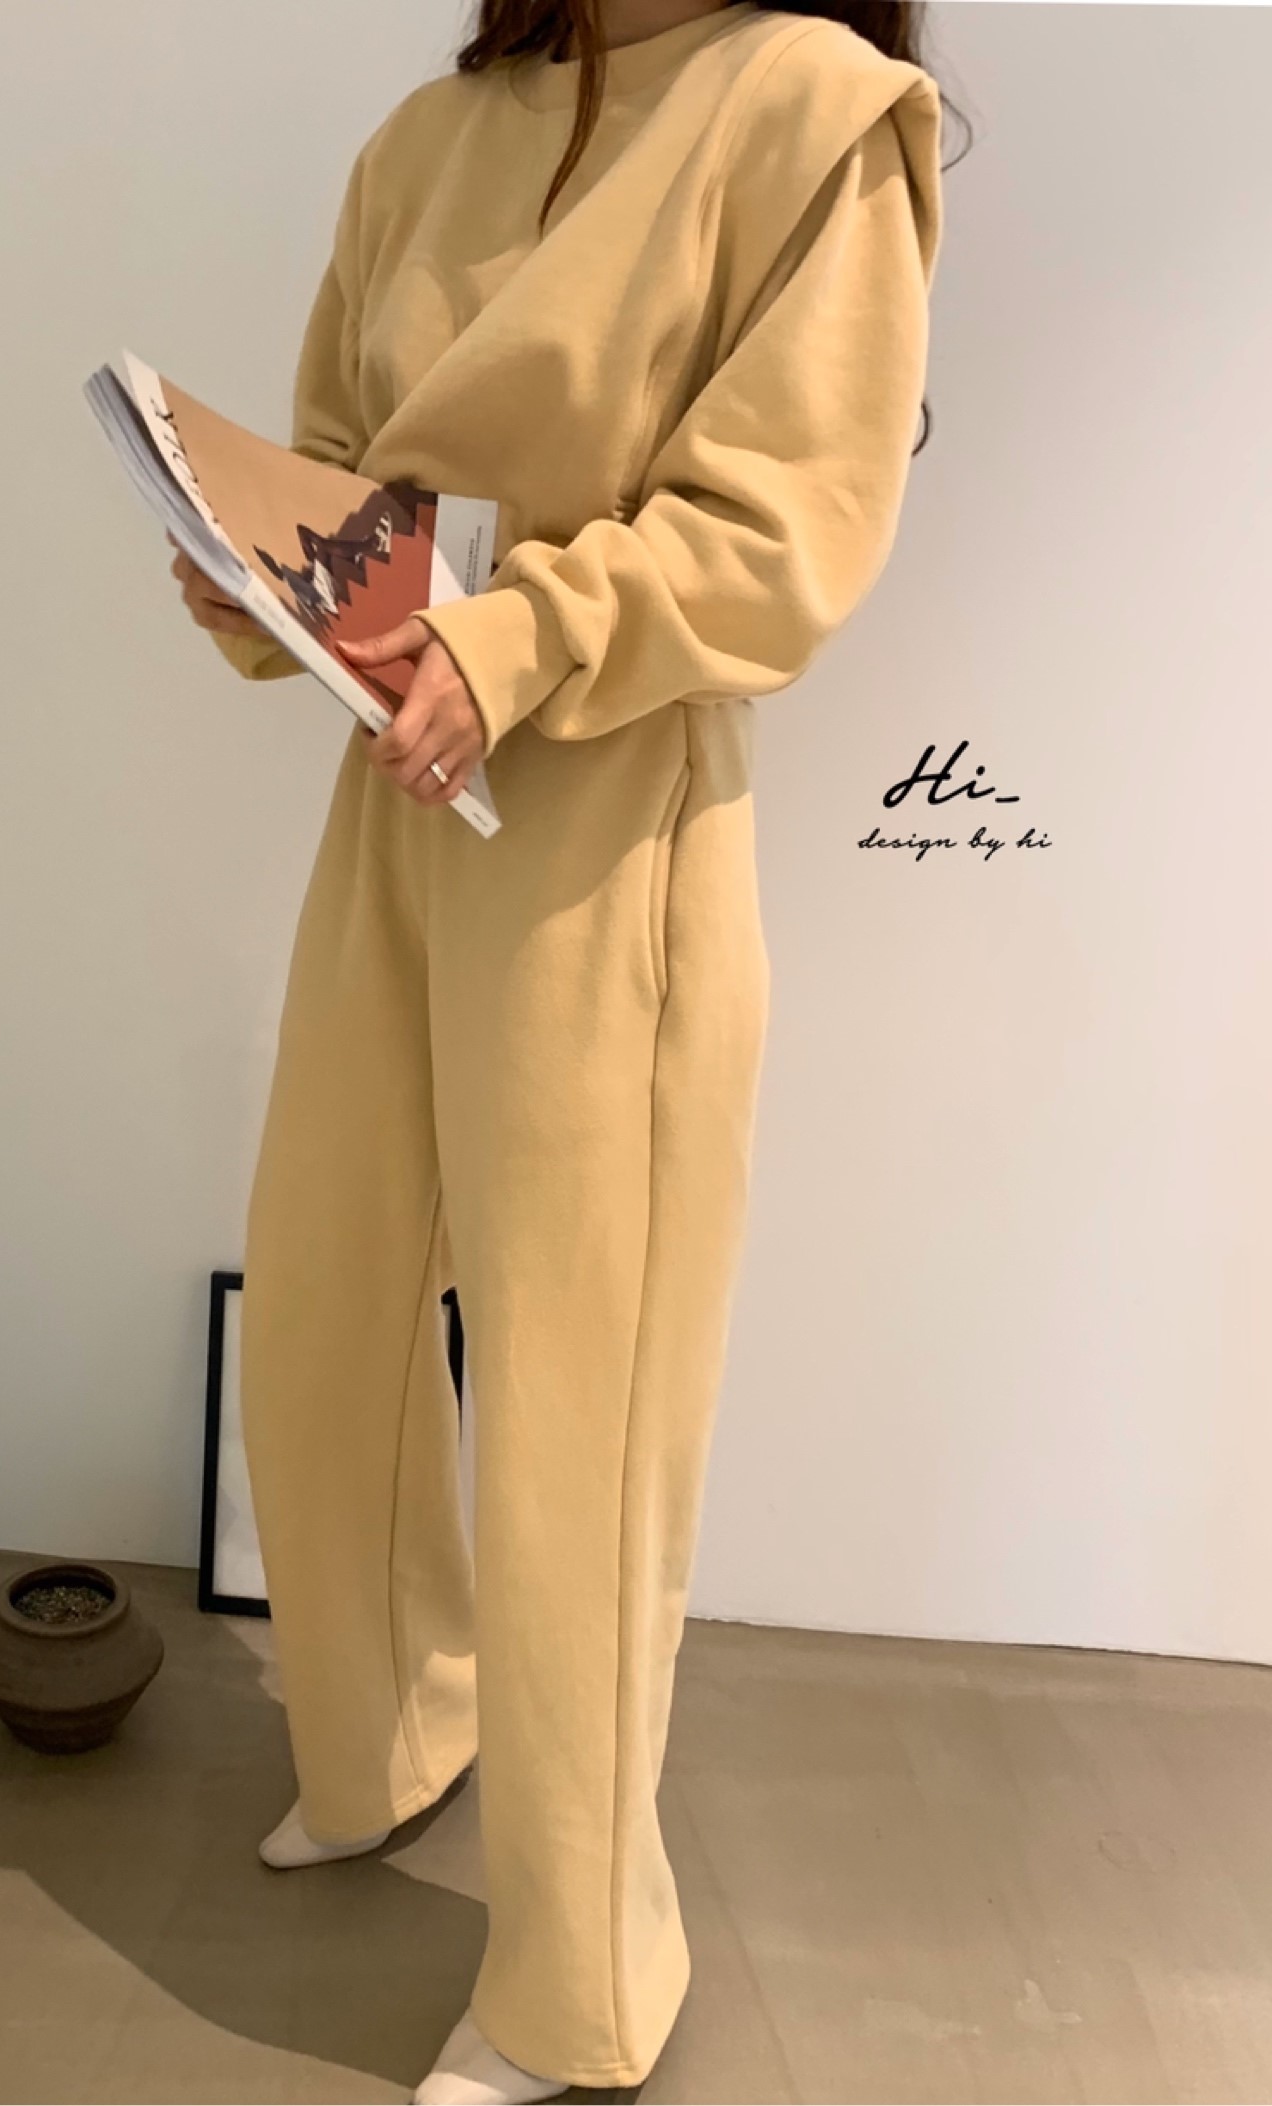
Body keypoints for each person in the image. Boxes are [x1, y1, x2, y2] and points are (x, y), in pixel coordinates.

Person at [169, 2, 947, 2098]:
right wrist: (266, 585)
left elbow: (783, 530)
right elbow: (353, 477)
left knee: (580, 1422)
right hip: (396, 804)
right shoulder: (430, 139)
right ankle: (387, 1735)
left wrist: (519, 640)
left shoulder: (819, 110)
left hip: (614, 825)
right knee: (324, 1303)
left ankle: (581, 1986)